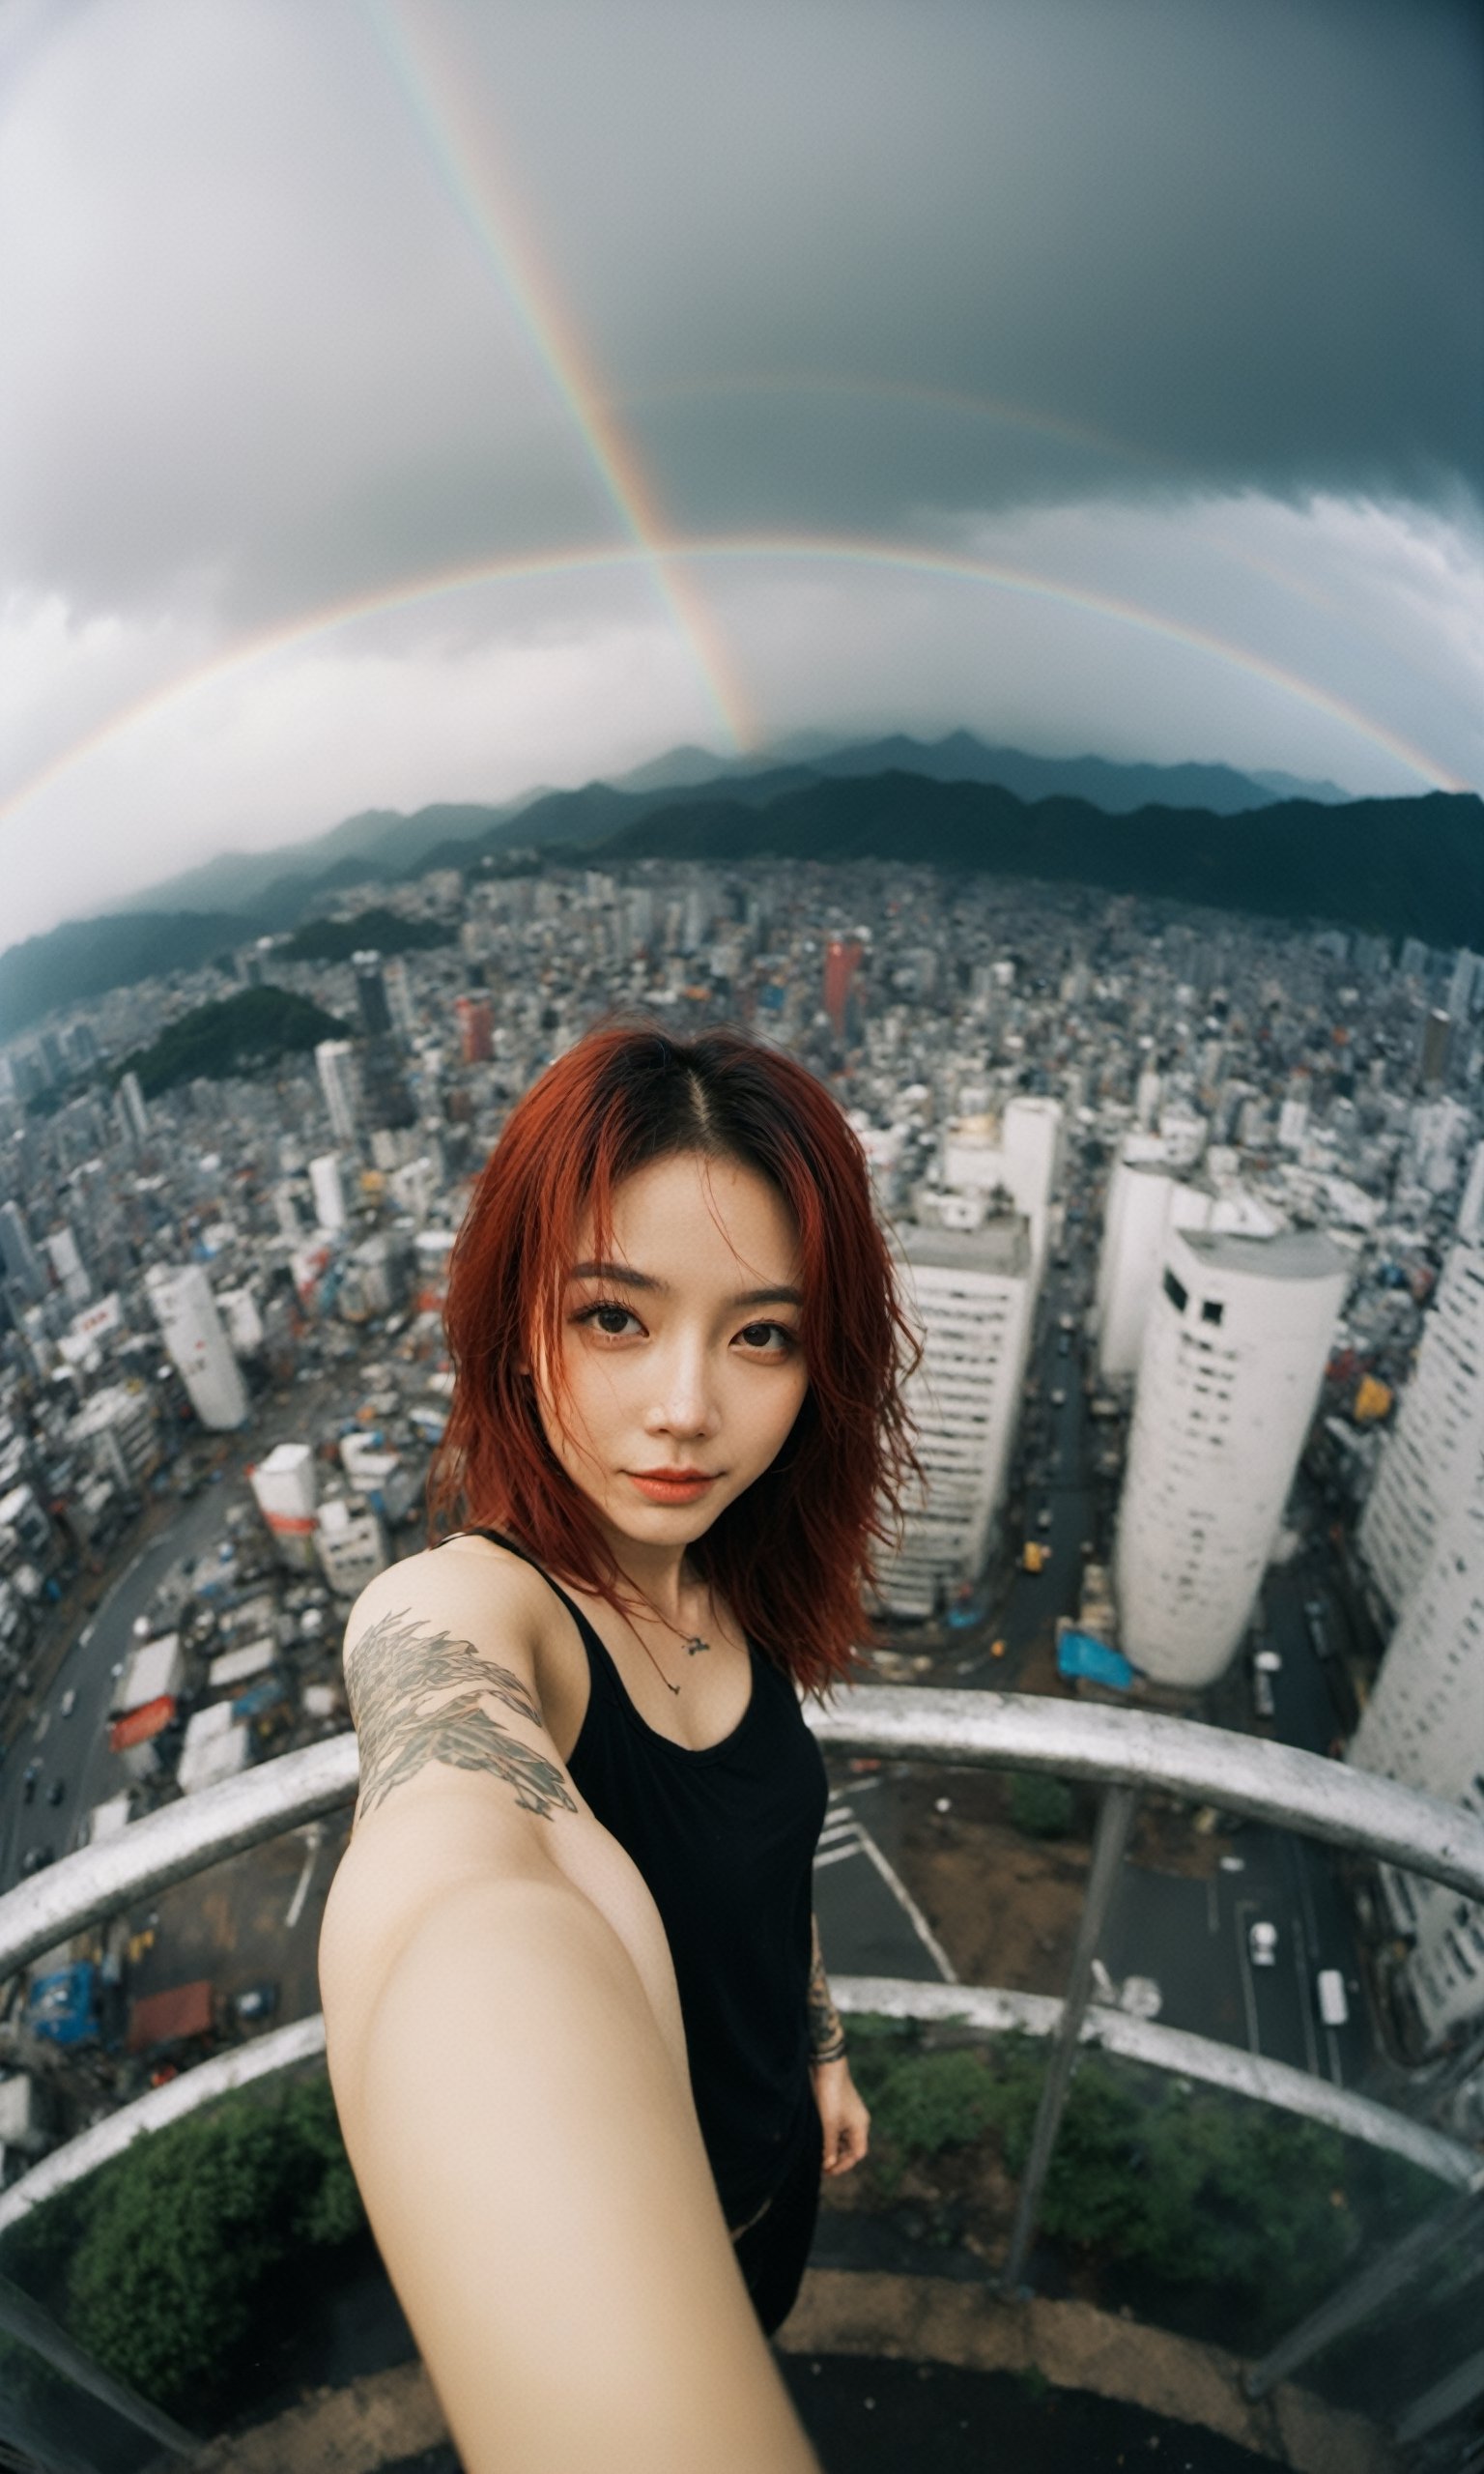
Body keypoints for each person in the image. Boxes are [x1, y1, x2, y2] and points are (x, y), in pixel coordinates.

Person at [318, 1022, 919, 2474]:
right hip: (670, 2236)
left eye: (761, 1333)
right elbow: (465, 1881)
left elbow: (767, 1870)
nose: (687, 1409)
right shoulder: (477, 1613)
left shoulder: (731, 1587)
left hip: (781, 2178)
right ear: (515, 1319)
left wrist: (821, 2050)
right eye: (616, 1317)